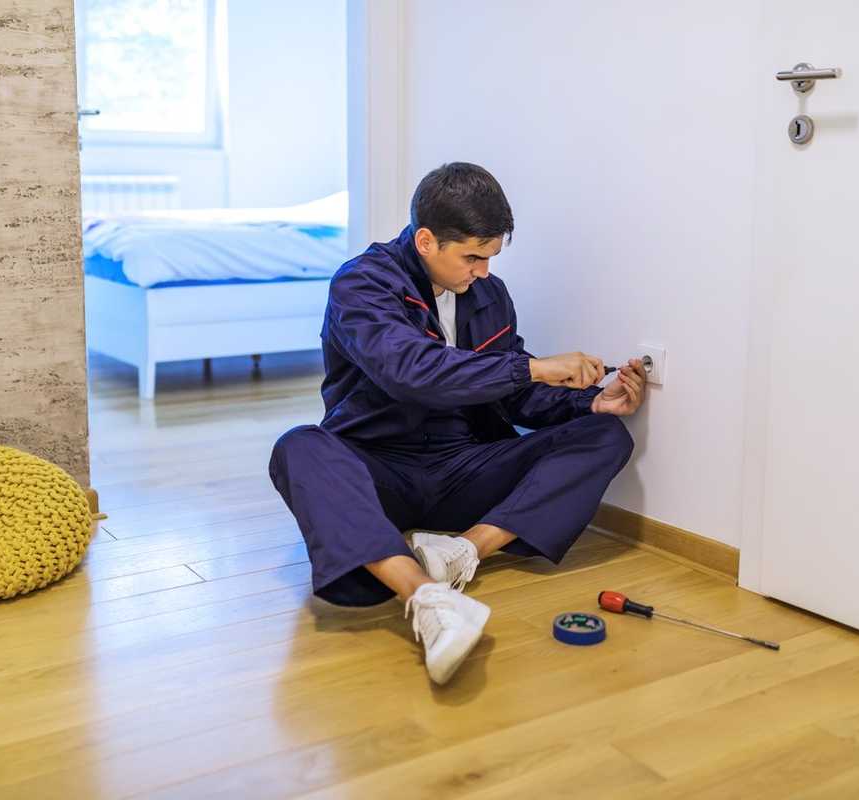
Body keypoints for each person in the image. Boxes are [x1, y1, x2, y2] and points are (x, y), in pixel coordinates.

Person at [269, 163, 646, 684]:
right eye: (472, 257)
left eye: (490, 257)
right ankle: (425, 597)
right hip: (380, 467)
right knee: (299, 448)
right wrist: (533, 365)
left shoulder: (490, 295)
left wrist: (588, 404)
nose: (483, 272)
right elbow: (411, 372)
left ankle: (461, 551)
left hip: (464, 464)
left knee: (603, 436)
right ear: (426, 240)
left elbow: (517, 399)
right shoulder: (361, 284)